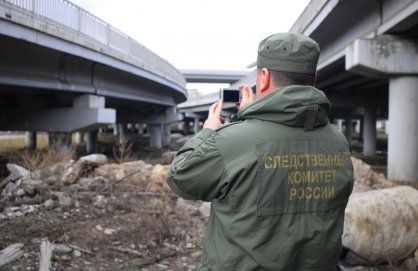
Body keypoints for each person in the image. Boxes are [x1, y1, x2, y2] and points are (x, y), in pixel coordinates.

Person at [166, 33, 354, 271]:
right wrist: (251, 117)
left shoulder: (231, 140)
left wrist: (209, 132)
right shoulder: (338, 142)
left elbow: (180, 177)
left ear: (263, 77)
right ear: (313, 79)